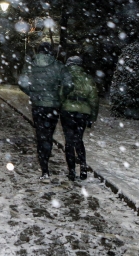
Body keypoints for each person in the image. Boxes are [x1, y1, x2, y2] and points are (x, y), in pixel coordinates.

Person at [18, 42, 72, 181]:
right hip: (53, 106)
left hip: (38, 105)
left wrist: (32, 93)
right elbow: (68, 84)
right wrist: (60, 96)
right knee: (48, 134)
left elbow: (22, 82)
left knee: (40, 134)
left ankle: (44, 168)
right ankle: (46, 155)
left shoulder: (31, 65)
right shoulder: (58, 65)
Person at [59, 56, 99, 181]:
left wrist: (60, 107)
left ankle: (71, 171)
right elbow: (94, 99)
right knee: (78, 140)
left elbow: (60, 94)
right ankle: (83, 168)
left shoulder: (65, 77)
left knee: (69, 141)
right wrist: (92, 116)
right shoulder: (88, 78)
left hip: (67, 111)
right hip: (83, 112)